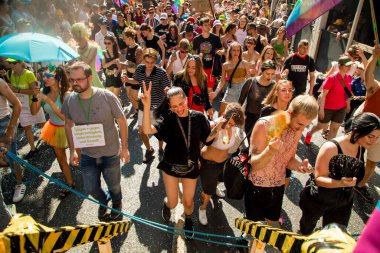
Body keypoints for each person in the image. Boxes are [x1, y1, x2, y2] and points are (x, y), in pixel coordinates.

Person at [141, 85, 214, 238]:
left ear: (186, 100)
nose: (179, 108)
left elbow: (207, 140)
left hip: (191, 166)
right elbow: (147, 130)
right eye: (174, 106)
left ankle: (188, 221)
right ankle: (167, 204)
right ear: (170, 106)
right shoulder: (168, 119)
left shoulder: (199, 117)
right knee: (173, 202)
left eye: (181, 104)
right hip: (170, 166)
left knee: (188, 202)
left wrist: (217, 131)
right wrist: (146, 107)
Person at [62, 62, 130, 221]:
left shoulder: (106, 96)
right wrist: (72, 150)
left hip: (110, 152)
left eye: (80, 79)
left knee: (114, 185)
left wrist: (124, 148)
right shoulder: (70, 99)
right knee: (91, 187)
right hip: (87, 154)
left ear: (90, 78)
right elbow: (68, 123)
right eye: (72, 80)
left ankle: (117, 203)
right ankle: (103, 200)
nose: (75, 83)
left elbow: (121, 120)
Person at [299, 113, 380, 235]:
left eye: (377, 137)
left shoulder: (361, 147)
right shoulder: (331, 147)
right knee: (307, 229)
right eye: (370, 136)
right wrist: (340, 183)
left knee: (335, 235)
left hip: (343, 202)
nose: (374, 141)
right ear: (357, 131)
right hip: (319, 199)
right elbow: (319, 178)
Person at [246, 95, 318, 225]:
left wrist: (299, 166)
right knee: (253, 225)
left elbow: (288, 159)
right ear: (289, 113)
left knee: (271, 222)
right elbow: (255, 165)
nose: (301, 130)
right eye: (300, 124)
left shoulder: (296, 129)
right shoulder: (264, 125)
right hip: (257, 187)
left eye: (305, 126)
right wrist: (270, 151)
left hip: (278, 185)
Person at [5, 58, 46, 202]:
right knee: (27, 127)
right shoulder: (10, 74)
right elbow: (10, 89)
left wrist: (19, 90)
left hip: (31, 103)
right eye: (9, 63)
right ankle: (33, 148)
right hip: (21, 106)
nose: (11, 65)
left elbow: (35, 90)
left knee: (42, 123)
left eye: (13, 62)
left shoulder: (29, 74)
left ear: (20, 63)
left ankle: (48, 140)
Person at [30, 66, 74, 197]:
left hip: (71, 128)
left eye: (49, 76)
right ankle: (70, 183)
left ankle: (90, 178)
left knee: (79, 156)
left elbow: (64, 117)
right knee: (61, 159)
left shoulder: (66, 93)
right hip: (54, 128)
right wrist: (35, 96)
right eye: (44, 76)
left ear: (58, 78)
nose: (45, 79)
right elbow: (33, 112)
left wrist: (48, 101)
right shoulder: (43, 92)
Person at [198, 103, 245, 225]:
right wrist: (217, 128)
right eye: (230, 123)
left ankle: (215, 187)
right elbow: (206, 139)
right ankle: (202, 208)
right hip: (209, 164)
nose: (231, 126)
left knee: (220, 179)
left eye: (234, 124)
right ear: (224, 115)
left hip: (223, 162)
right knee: (207, 192)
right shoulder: (215, 124)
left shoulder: (233, 126)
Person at [123, 48, 171, 163]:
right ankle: (149, 149)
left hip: (157, 107)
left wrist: (167, 90)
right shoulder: (139, 68)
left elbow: (166, 87)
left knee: (159, 132)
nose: (149, 65)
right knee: (141, 132)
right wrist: (127, 79)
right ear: (143, 60)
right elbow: (136, 81)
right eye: (147, 62)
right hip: (143, 105)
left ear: (155, 61)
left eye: (152, 62)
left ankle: (160, 149)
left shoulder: (161, 72)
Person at [305, 56, 353, 144]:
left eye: (350, 66)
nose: (349, 68)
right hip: (327, 107)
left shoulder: (349, 78)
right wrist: (321, 110)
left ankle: (327, 149)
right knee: (321, 126)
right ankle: (310, 133)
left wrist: (348, 104)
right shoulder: (331, 78)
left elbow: (347, 93)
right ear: (339, 66)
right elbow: (324, 95)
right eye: (347, 66)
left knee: (334, 129)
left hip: (341, 108)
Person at [354, 44, 380, 203]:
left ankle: (361, 185)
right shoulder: (376, 88)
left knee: (372, 161)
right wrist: (375, 56)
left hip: (379, 133)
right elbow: (368, 75)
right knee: (354, 154)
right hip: (363, 125)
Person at [260, 80, 294, 187]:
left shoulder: (293, 112)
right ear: (276, 93)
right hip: (268, 154)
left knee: (280, 188)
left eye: (290, 90)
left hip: (284, 157)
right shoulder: (267, 111)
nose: (288, 93)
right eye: (284, 90)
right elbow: (261, 136)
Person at [238, 60, 276, 138]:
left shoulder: (274, 85)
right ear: (262, 71)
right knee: (249, 141)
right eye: (267, 73)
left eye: (272, 74)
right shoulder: (251, 82)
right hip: (250, 119)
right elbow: (240, 102)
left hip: (267, 120)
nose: (270, 76)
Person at [210, 42, 251, 115]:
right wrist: (216, 92)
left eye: (238, 50)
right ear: (230, 51)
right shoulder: (226, 65)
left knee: (238, 114)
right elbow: (222, 81)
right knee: (222, 114)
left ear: (240, 52)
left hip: (241, 89)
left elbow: (249, 80)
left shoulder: (245, 63)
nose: (236, 52)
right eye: (234, 50)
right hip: (230, 90)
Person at [193, 17, 224, 92]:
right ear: (201, 27)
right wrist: (197, 56)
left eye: (209, 25)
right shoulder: (197, 39)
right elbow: (193, 52)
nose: (208, 27)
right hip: (200, 68)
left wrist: (221, 52)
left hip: (212, 68)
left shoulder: (215, 38)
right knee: (200, 89)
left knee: (210, 89)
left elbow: (222, 49)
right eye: (206, 25)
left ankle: (209, 103)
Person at [71, 23, 104, 88]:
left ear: (81, 33)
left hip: (92, 79)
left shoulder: (93, 48)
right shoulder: (75, 48)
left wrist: (77, 53)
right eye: (73, 34)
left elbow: (87, 63)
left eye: (75, 33)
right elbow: (72, 64)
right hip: (80, 79)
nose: (73, 36)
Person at [122, 27, 143, 118]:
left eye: (125, 38)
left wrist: (127, 65)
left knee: (134, 95)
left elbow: (139, 66)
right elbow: (127, 61)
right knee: (129, 95)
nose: (123, 40)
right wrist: (124, 71)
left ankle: (144, 108)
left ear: (130, 38)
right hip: (128, 74)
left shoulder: (138, 49)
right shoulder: (128, 47)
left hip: (136, 76)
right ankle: (138, 110)